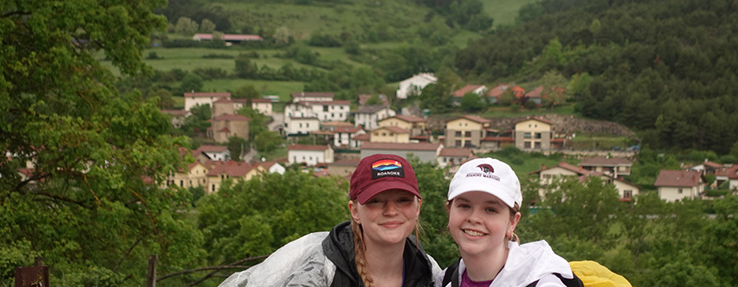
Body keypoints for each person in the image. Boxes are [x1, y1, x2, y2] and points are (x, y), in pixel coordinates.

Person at [219, 154, 440, 287]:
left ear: (418, 207)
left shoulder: (430, 273)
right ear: (354, 211)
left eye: (403, 200)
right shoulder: (320, 273)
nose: (391, 211)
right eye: (375, 201)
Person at [437, 157, 582, 287]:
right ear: (449, 211)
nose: (474, 218)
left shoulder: (542, 282)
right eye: (464, 206)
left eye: (490, 209)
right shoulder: (445, 279)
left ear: (513, 222)